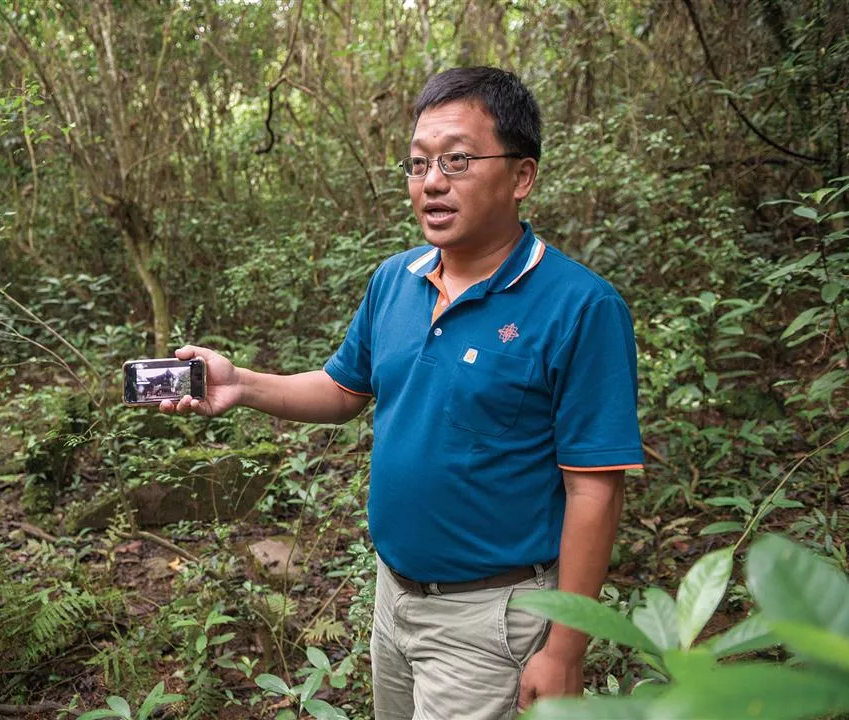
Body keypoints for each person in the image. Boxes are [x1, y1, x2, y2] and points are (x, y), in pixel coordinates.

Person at [160, 66, 643, 719]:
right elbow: (342, 389)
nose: (432, 182)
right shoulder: (396, 279)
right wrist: (241, 383)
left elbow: (595, 491)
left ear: (522, 176)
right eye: (418, 164)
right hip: (393, 598)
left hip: (491, 618)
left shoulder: (580, 307)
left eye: (458, 160)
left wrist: (565, 649)